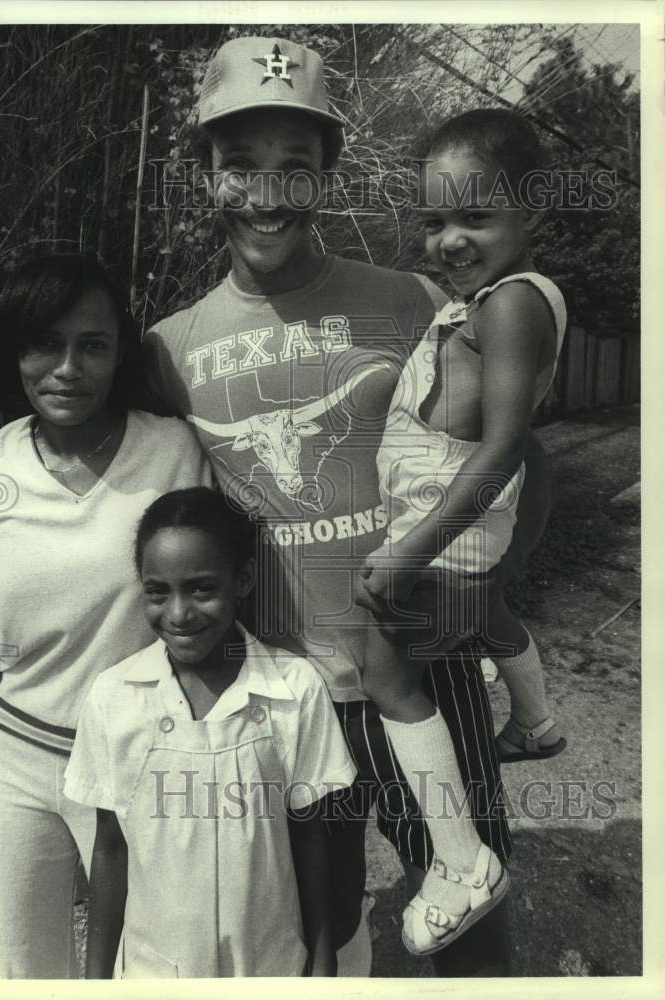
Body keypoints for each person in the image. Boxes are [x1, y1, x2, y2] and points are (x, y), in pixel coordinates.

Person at [140, 35, 554, 976]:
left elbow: (523, 456)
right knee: (312, 936)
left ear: (327, 176)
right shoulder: (168, 348)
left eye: (296, 165)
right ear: (205, 174)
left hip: (424, 672)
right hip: (282, 698)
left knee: (473, 925)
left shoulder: (420, 303)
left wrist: (493, 588)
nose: (268, 193)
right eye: (240, 163)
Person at [0, 253, 213, 978]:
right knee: (20, 971)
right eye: (45, 343)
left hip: (140, 762)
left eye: (92, 345)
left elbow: (212, 596)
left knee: (154, 967)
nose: (67, 368)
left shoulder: (174, 452)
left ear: (121, 352)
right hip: (8, 762)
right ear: (15, 351)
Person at [358, 108, 568, 955]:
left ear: (531, 209)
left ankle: (460, 859)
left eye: (475, 216)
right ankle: (537, 724)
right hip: (455, 531)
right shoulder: (482, 302)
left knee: (385, 672)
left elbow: (508, 443)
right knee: (480, 623)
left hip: (446, 532)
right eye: (434, 220)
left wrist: (412, 548)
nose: (449, 240)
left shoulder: (512, 303)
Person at [64, 487, 357, 977]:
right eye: (158, 592)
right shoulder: (114, 697)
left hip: (271, 965)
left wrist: (322, 963)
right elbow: (111, 849)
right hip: (156, 972)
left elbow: (310, 839)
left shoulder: (294, 688)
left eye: (202, 589)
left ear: (242, 580)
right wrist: (96, 983)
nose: (179, 613)